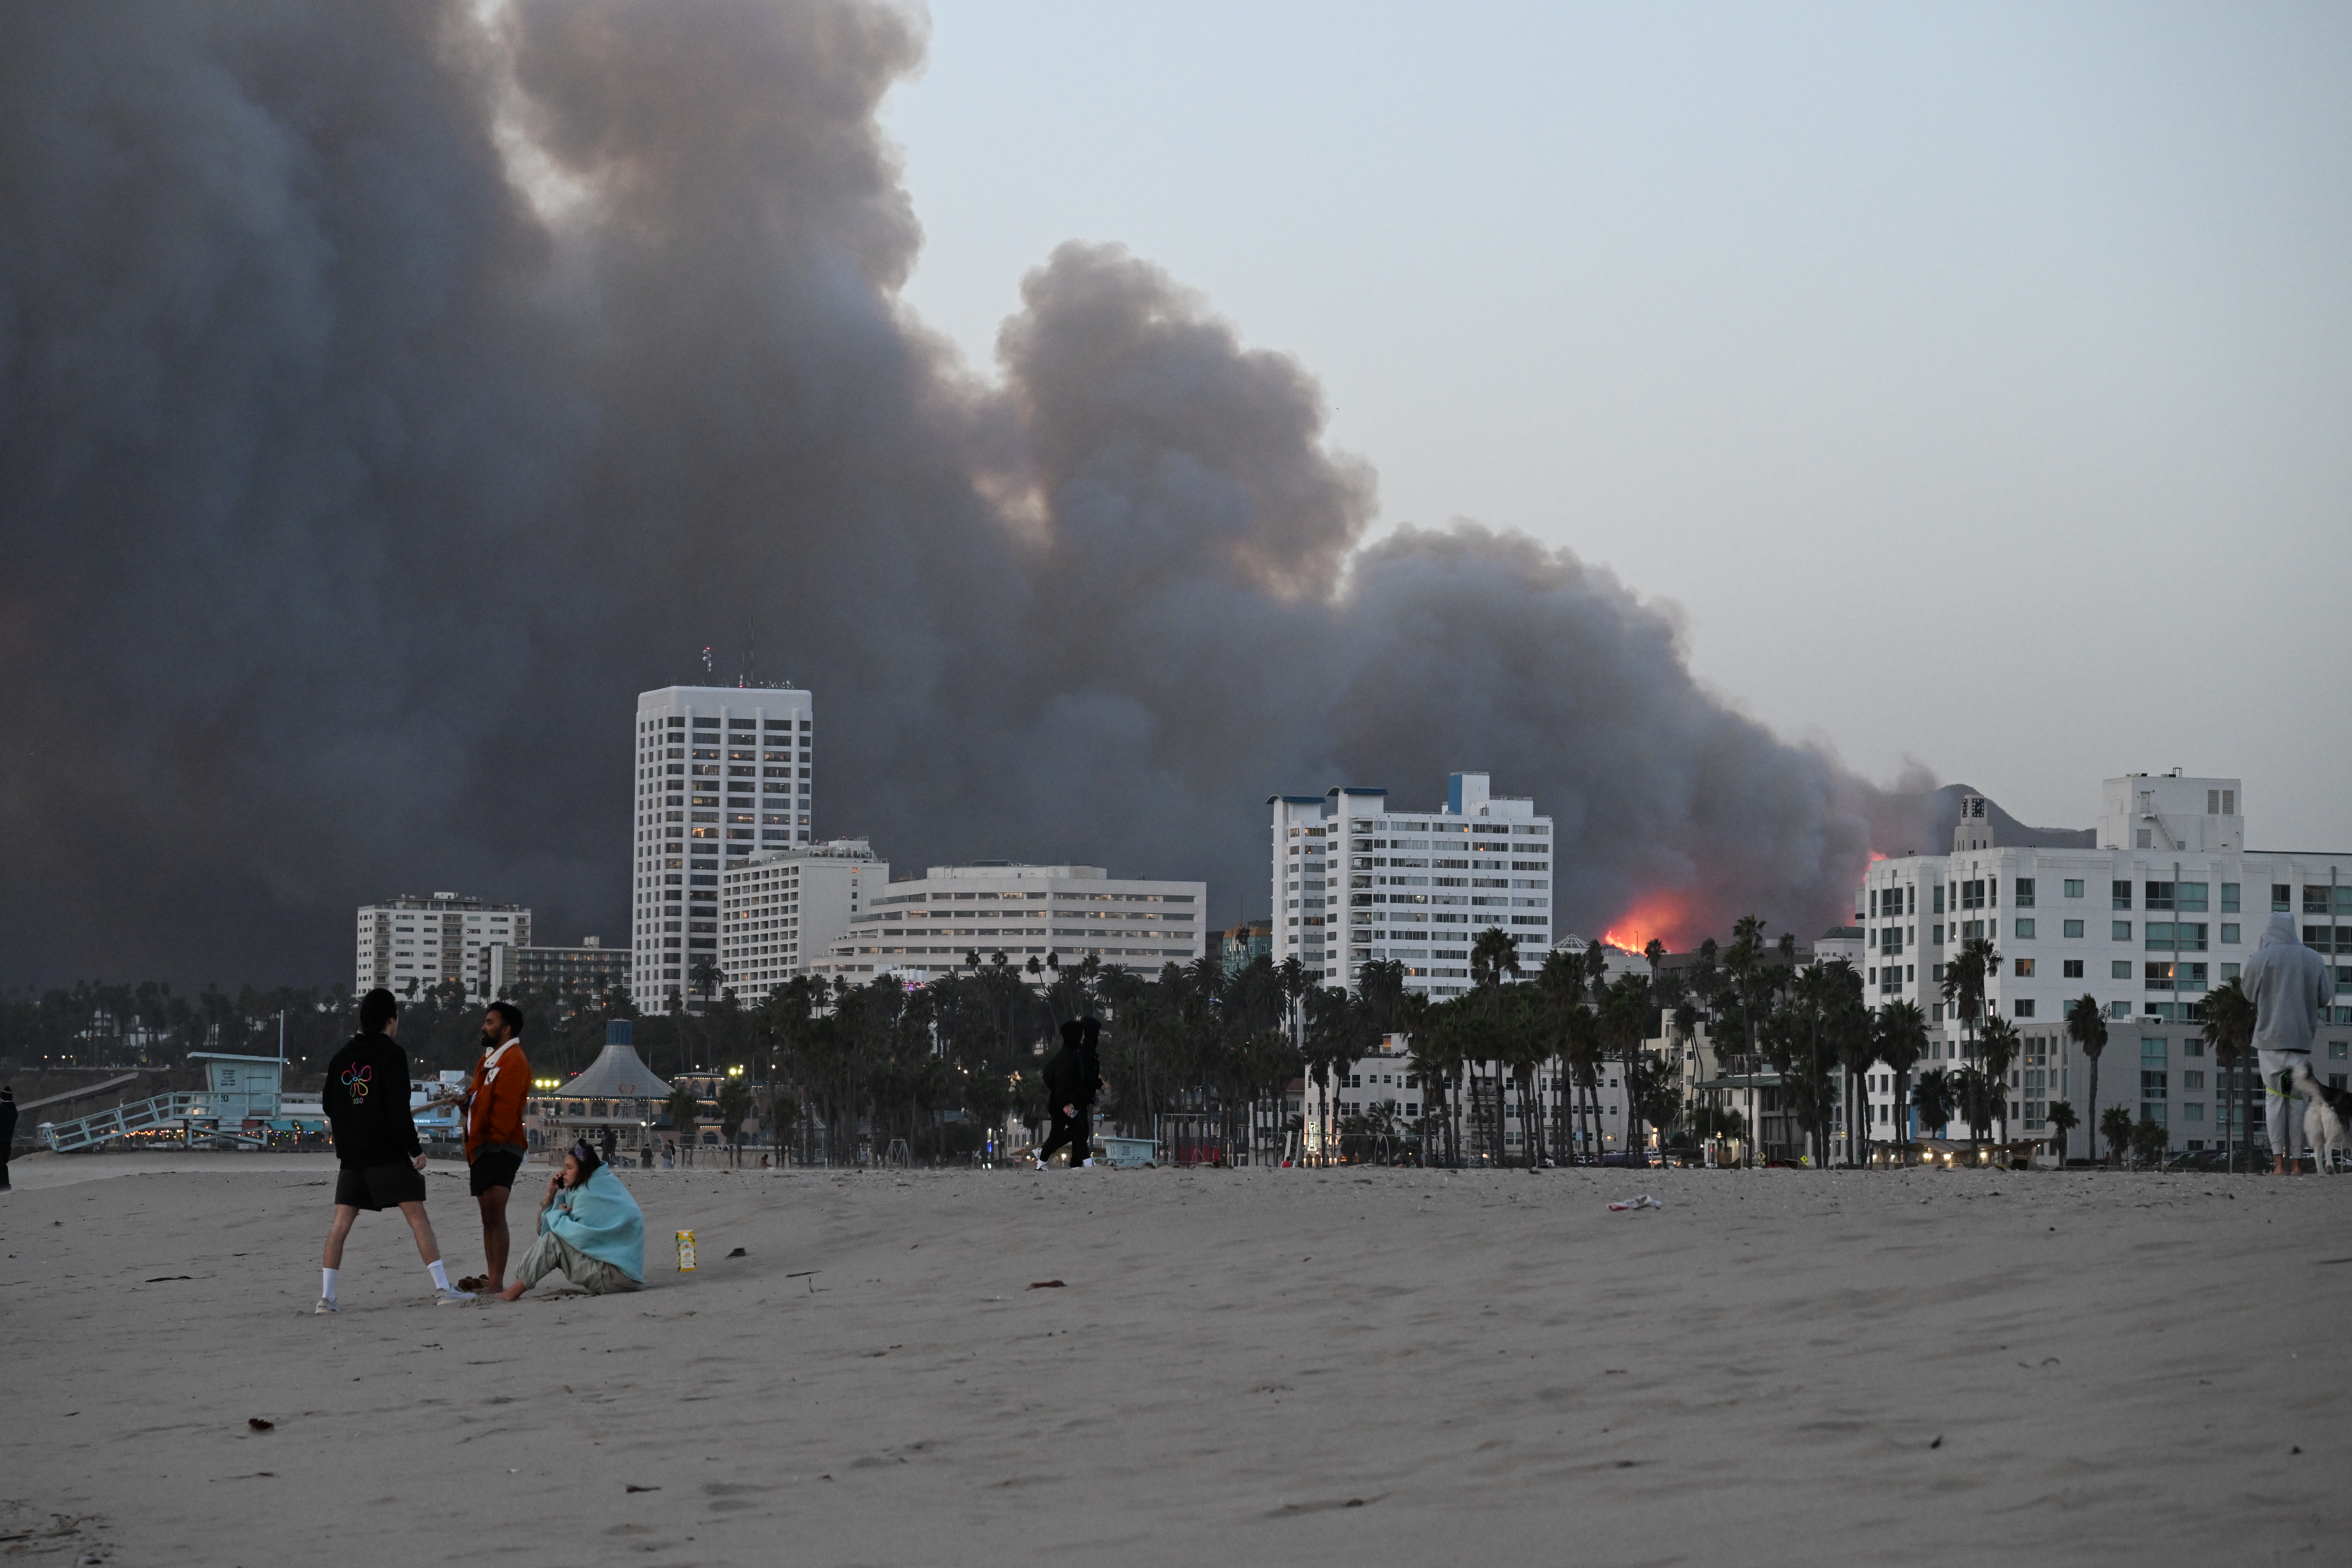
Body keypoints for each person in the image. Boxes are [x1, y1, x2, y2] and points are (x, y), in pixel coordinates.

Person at [317, 989, 473, 1310]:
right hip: (386, 1153)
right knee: (418, 1218)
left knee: (341, 1224)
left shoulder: (341, 1057)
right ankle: (443, 1289)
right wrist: (415, 1149)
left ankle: (327, 1298)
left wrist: (353, 1127)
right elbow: (397, 1109)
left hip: (353, 1157)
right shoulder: (392, 1055)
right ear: (391, 1020)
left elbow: (329, 1104)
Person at [433, 1001, 531, 1294]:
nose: (483, 1026)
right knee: (487, 1215)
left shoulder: (514, 1061)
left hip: (501, 1147)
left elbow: (505, 1109)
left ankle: (497, 1282)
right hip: (481, 1147)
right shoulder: (486, 1060)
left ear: (506, 1028)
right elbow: (476, 1103)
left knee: (495, 1213)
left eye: (490, 1022)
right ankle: (493, 1278)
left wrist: (492, 1145)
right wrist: (464, 1101)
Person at [2245, 910, 2335, 1174]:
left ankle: (2278, 1164)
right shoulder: (2313, 958)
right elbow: (2325, 997)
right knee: (2296, 1100)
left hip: (2270, 1041)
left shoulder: (2261, 959)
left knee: (2273, 1099)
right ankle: (2297, 1163)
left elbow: (2249, 994)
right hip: (2300, 1041)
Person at [495, 1141, 644, 1299]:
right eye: (564, 1166)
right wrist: (551, 1194)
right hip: (622, 1275)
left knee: (554, 1242)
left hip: (614, 1277)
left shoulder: (589, 1195)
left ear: (584, 1171)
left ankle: (512, 1293)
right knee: (554, 1238)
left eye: (570, 1168)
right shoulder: (598, 1185)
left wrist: (559, 1216)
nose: (563, 1173)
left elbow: (568, 1237)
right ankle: (517, 1286)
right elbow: (544, 1229)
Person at [0, 1085, 17, 1191]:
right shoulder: (14, 1111)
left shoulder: (2, 1110)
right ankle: (6, 1185)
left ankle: (3, 1186)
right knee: (3, 1163)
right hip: (8, 1140)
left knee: (1, 1163)